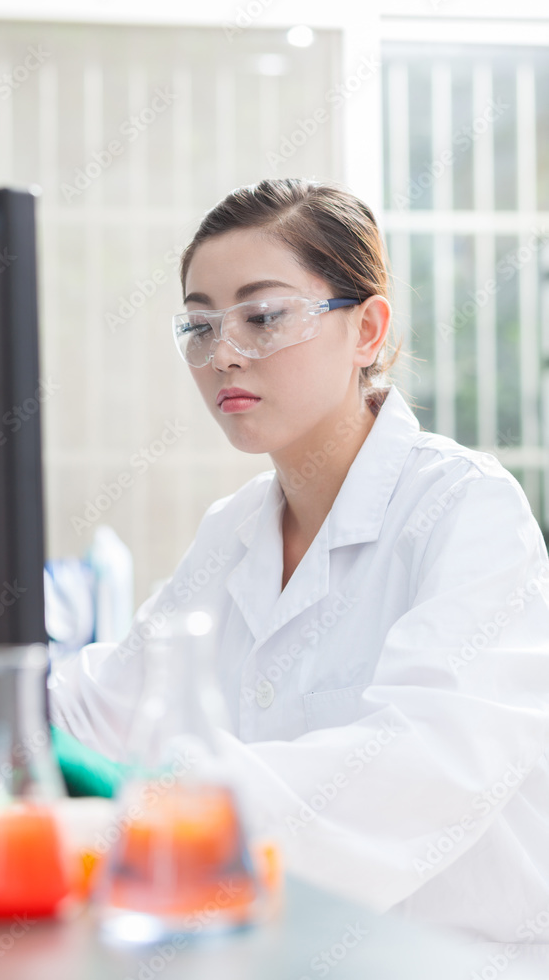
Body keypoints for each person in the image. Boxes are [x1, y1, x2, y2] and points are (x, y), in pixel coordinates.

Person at [48, 178, 549, 949]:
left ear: (368, 330)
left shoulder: (466, 511)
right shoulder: (234, 530)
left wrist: (159, 813)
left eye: (262, 316)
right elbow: (110, 705)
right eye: (199, 325)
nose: (222, 354)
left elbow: (424, 767)